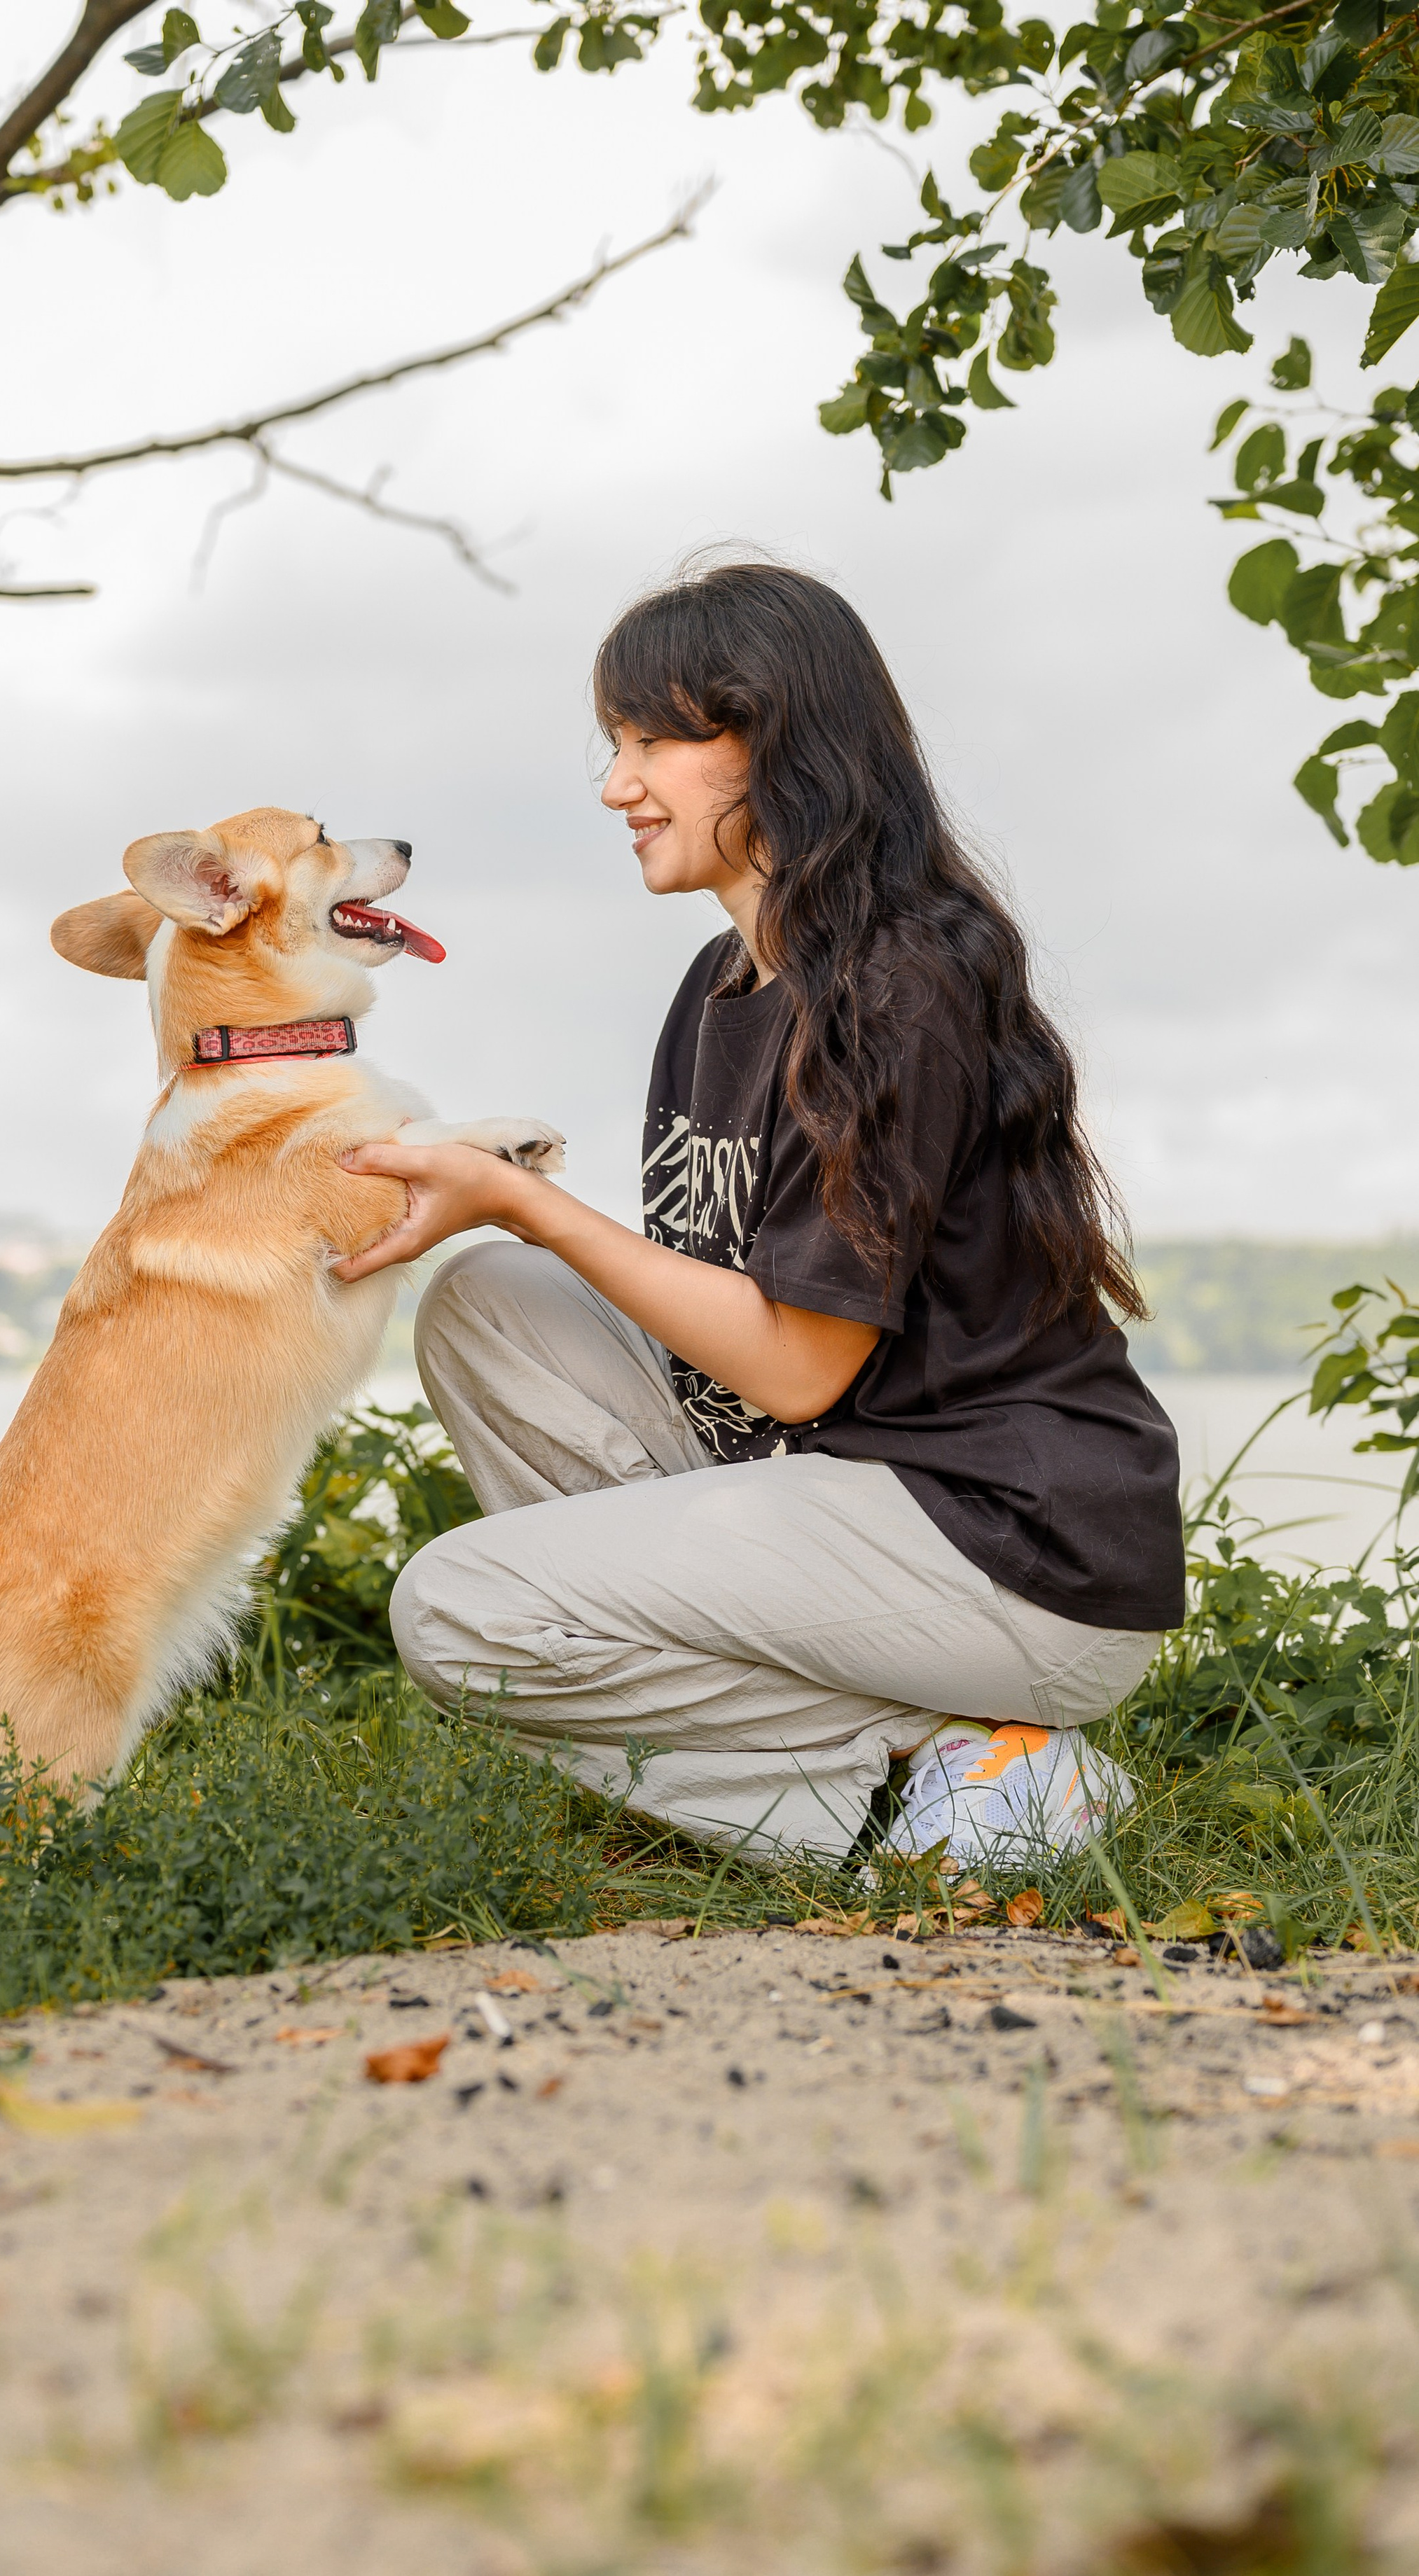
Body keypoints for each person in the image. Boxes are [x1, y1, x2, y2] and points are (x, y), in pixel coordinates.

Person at [333, 560, 1182, 1863]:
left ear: (775, 738)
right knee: (484, 1307)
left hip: (1011, 1546)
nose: (617, 785)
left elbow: (794, 1365)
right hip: (841, 1499)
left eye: (654, 740)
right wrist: (501, 1218)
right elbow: (717, 1314)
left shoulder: (896, 987)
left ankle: (934, 1792)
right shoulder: (721, 985)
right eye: (615, 744)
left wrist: (526, 1201)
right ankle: (940, 1748)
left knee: (461, 1610)